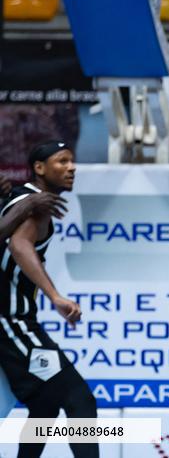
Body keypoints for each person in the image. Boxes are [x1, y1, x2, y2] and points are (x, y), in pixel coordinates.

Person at [0, 141, 96, 458]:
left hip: (16, 321)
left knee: (45, 403)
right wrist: (54, 295)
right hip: (10, 322)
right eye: (62, 161)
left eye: (73, 162)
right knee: (78, 399)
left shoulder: (19, 199)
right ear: (39, 168)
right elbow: (19, 246)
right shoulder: (32, 203)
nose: (72, 168)